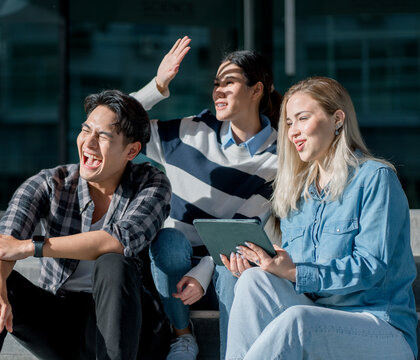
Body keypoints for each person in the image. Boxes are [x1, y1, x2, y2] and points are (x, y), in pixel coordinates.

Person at [0, 90, 172, 360]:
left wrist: (32, 247)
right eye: (86, 130)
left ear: (132, 150)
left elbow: (118, 241)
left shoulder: (151, 184)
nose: (88, 143)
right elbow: (1, 245)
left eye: (102, 136)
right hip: (62, 321)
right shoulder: (51, 183)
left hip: (127, 326)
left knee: (113, 263)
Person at [223, 76, 417, 359]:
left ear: (337, 119)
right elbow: (296, 278)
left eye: (302, 119)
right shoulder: (297, 192)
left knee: (299, 322)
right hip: (318, 318)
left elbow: (370, 267)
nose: (293, 132)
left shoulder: (375, 178)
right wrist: (268, 267)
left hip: (379, 326)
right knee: (253, 281)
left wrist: (295, 272)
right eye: (289, 123)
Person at [130, 36, 282, 360]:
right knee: (168, 241)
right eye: (216, 83)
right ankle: (182, 337)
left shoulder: (279, 158)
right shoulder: (190, 132)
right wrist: (157, 85)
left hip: (224, 275)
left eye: (229, 82)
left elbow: (241, 234)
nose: (218, 91)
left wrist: (202, 275)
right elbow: (118, 123)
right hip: (170, 275)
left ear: (257, 90)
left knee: (232, 266)